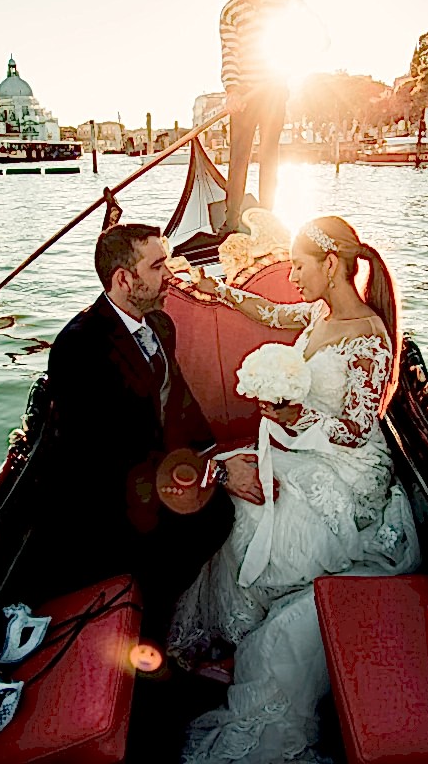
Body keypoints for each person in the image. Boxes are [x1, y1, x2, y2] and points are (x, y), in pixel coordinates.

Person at [169, 216, 421, 763]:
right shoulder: (319, 312)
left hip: (347, 471)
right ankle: (232, 636)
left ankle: (247, 638)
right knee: (237, 488)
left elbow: (356, 427)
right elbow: (273, 312)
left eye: (301, 266)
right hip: (304, 445)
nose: (294, 276)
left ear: (330, 265)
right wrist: (220, 291)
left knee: (252, 509)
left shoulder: (370, 338)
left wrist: (295, 414)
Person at [38, 223, 266, 638]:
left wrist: (217, 454)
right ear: (125, 279)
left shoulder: (160, 325)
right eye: (159, 266)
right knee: (213, 517)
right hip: (108, 501)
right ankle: (153, 630)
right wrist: (218, 473)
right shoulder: (80, 346)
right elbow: (113, 453)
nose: (171, 275)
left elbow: (179, 404)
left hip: (149, 476)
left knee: (228, 502)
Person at [219, 0, 317, 230]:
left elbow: (307, 28)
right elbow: (230, 55)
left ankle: (267, 217)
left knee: (269, 153)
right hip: (245, 94)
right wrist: (232, 90)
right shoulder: (230, 11)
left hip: (274, 89)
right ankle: (232, 220)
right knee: (239, 156)